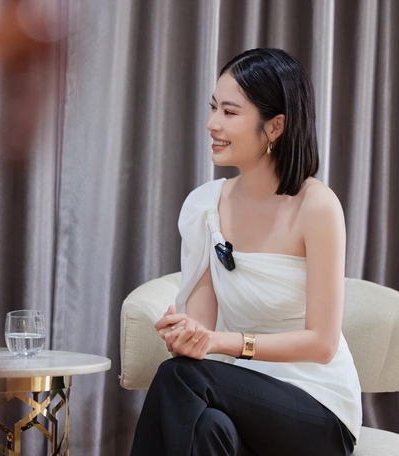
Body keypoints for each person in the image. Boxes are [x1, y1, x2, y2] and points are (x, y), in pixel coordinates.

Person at [130, 48, 361, 456]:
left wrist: (224, 342)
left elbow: (322, 344)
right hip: (238, 398)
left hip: (317, 407)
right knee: (207, 426)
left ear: (275, 126)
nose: (212, 123)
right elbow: (201, 334)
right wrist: (187, 336)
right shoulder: (206, 206)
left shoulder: (317, 206)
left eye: (230, 112)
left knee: (178, 377)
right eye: (213, 107)